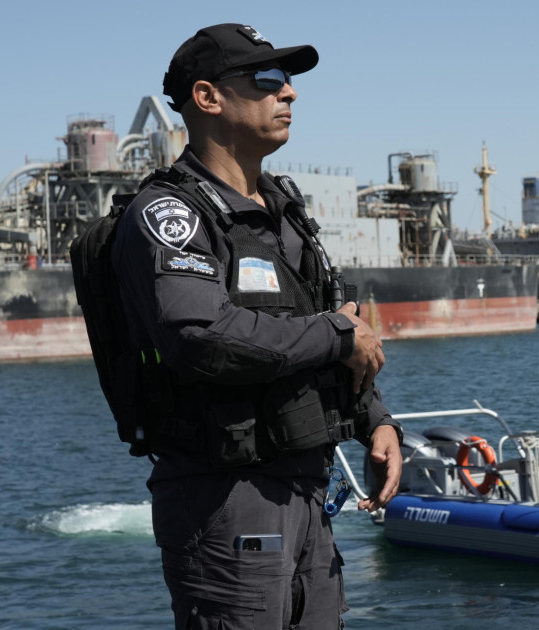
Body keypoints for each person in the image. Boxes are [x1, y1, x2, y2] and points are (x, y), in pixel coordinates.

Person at [110, 24, 402, 629]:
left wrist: (376, 420)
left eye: (289, 80)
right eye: (267, 80)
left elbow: (328, 324)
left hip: (306, 492)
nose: (289, 93)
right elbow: (202, 337)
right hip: (224, 498)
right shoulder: (171, 214)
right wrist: (339, 335)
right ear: (208, 98)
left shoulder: (284, 212)